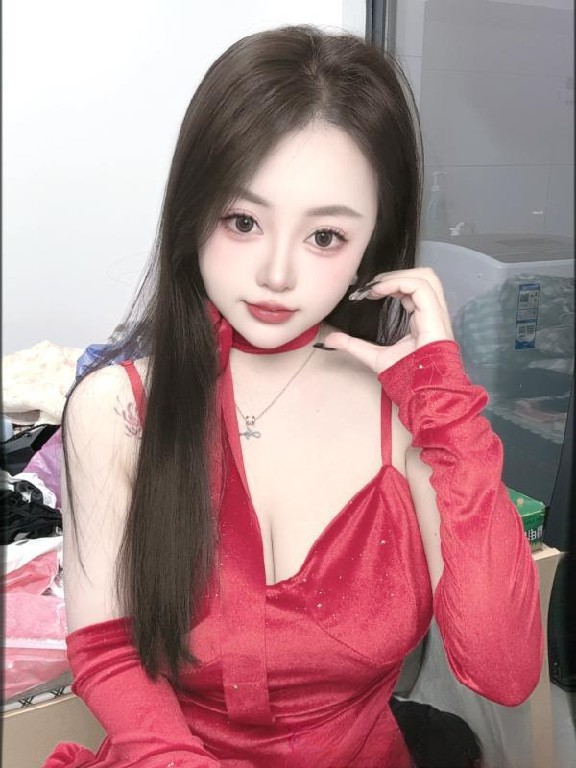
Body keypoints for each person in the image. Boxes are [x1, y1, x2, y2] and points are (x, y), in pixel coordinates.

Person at [44, 24, 543, 768]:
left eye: (325, 238)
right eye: (243, 221)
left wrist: (447, 406)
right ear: (194, 211)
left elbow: (504, 671)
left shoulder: (408, 417)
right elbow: (110, 651)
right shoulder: (115, 411)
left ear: (374, 243)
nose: (276, 273)